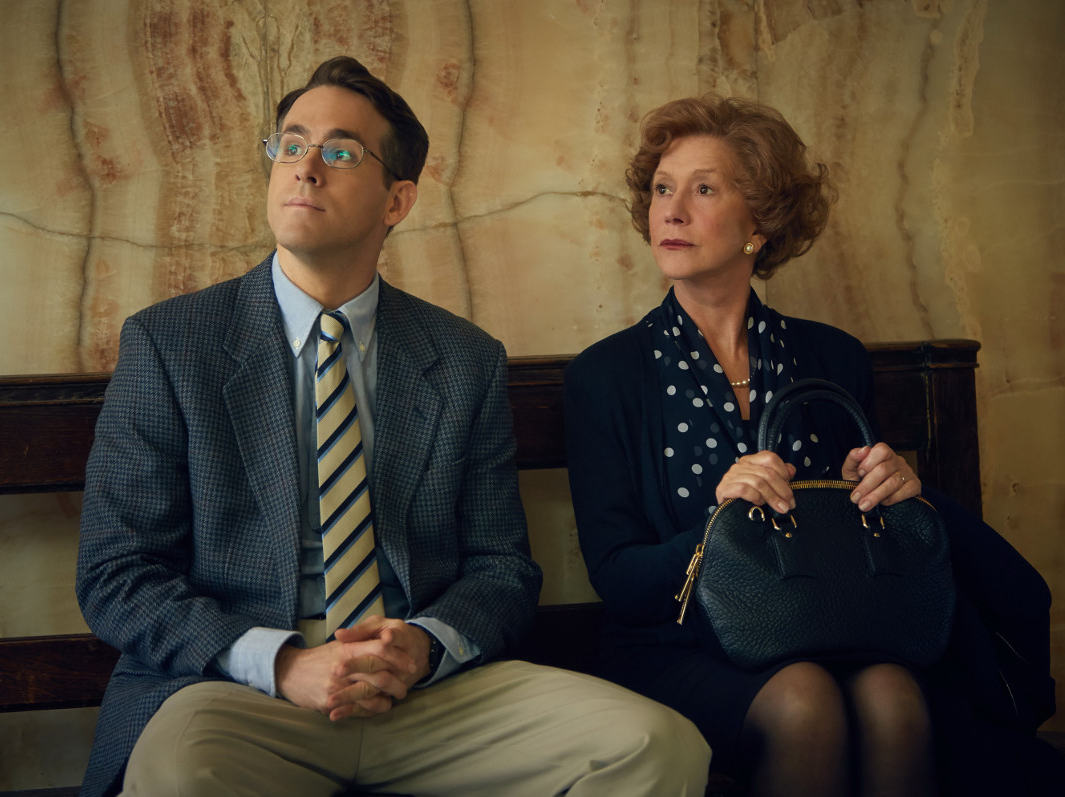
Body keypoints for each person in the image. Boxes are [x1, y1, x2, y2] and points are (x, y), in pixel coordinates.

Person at [76, 56, 708, 797]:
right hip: (239, 692)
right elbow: (118, 574)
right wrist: (281, 662)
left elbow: (502, 568)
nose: (306, 167)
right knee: (178, 775)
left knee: (657, 745)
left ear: (397, 200)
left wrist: (425, 646)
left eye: (341, 152)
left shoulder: (463, 359)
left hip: (426, 697)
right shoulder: (172, 344)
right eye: (291, 144)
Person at [563, 94, 1065, 796]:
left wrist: (896, 491)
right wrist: (717, 522)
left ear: (760, 223)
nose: (670, 211)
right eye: (661, 189)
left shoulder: (833, 357)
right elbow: (618, 578)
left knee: (895, 699)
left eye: (703, 189)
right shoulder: (605, 375)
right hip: (673, 642)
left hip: (830, 625)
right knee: (804, 702)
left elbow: (868, 546)